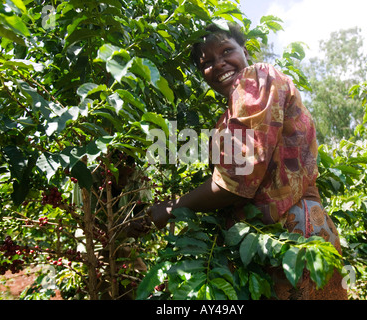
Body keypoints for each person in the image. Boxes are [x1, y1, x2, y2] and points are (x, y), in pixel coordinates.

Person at [133, 22, 347, 300]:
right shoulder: (229, 115)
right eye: (207, 63)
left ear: (245, 51)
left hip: (291, 237)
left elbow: (235, 182)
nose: (219, 64)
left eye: (226, 51)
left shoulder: (257, 79)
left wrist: (170, 208)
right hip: (266, 239)